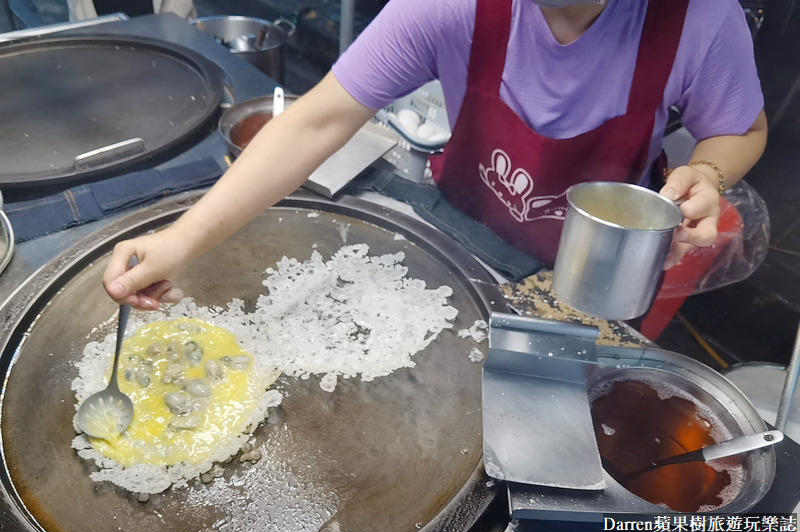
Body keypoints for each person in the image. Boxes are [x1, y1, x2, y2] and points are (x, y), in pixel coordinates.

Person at [102, 0, 768, 311]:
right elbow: (316, 121)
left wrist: (706, 173)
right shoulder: (449, 7)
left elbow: (741, 128)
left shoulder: (701, 20)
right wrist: (183, 239)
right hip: (462, 232)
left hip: (598, 273)